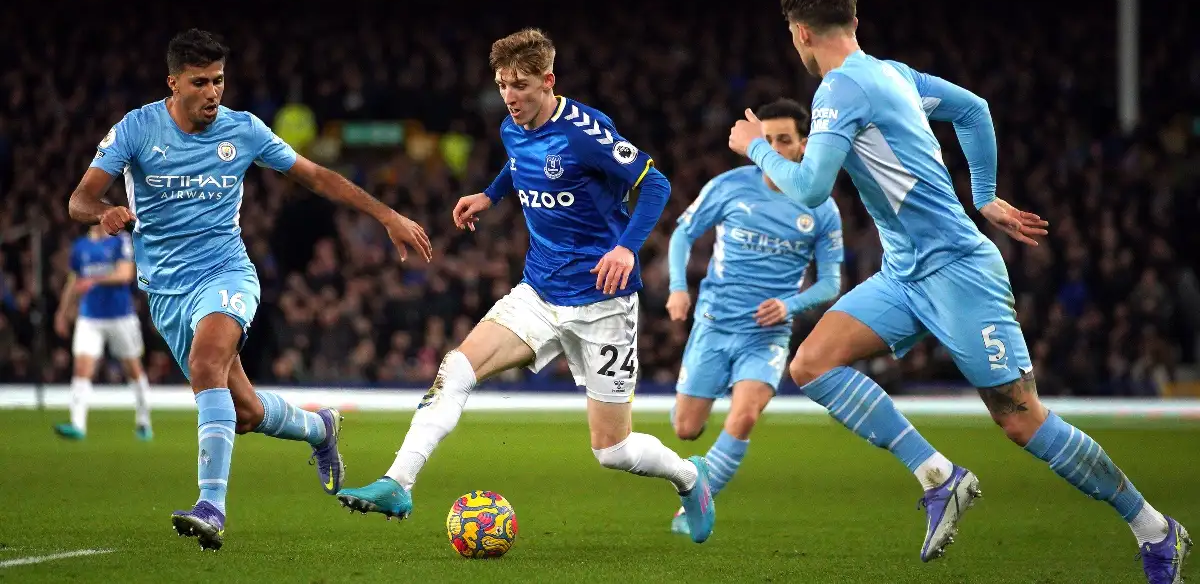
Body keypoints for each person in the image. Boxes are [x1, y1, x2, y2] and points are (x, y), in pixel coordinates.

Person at [726, 0, 1190, 580]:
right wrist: (987, 194)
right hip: (906, 273)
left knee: (1021, 418)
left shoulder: (838, 91)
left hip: (958, 271)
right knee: (812, 364)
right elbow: (973, 110)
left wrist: (757, 146)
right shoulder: (894, 73)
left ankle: (1156, 529)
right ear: (856, 22)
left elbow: (812, 188)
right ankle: (938, 476)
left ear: (803, 33)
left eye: (793, 36)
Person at [335, 28, 717, 544]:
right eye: (502, 86)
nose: (510, 97)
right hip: (537, 294)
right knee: (457, 368)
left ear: (548, 81)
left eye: (520, 86)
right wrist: (490, 195)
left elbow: (655, 183)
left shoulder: (585, 131)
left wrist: (625, 247)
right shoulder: (512, 127)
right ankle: (397, 483)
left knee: (613, 451)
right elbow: (519, 163)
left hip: (603, 305)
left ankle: (691, 479)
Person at [68, 28, 432, 551]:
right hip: (167, 292)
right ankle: (319, 428)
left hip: (226, 273)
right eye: (200, 82)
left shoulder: (244, 131)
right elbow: (78, 200)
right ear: (173, 83)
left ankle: (210, 506)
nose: (213, 92)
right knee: (244, 414)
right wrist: (106, 212)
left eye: (219, 80)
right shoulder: (136, 129)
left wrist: (386, 214)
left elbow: (317, 177)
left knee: (206, 362)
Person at [666, 98, 842, 535]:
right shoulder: (728, 186)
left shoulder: (821, 207)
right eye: (766, 140)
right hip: (713, 323)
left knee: (744, 416)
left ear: (804, 146)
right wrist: (677, 288)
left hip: (766, 333)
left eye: (784, 140)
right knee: (686, 430)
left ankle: (696, 502)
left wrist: (790, 305)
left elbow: (830, 283)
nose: (775, 149)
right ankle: (703, 465)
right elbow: (683, 233)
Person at [53, 224, 152, 441]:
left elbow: (125, 273)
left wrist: (94, 280)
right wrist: (63, 311)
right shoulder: (80, 246)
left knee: (133, 368)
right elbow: (74, 280)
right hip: (89, 317)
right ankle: (77, 425)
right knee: (82, 367)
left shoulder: (121, 240)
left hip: (120, 316)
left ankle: (143, 421)